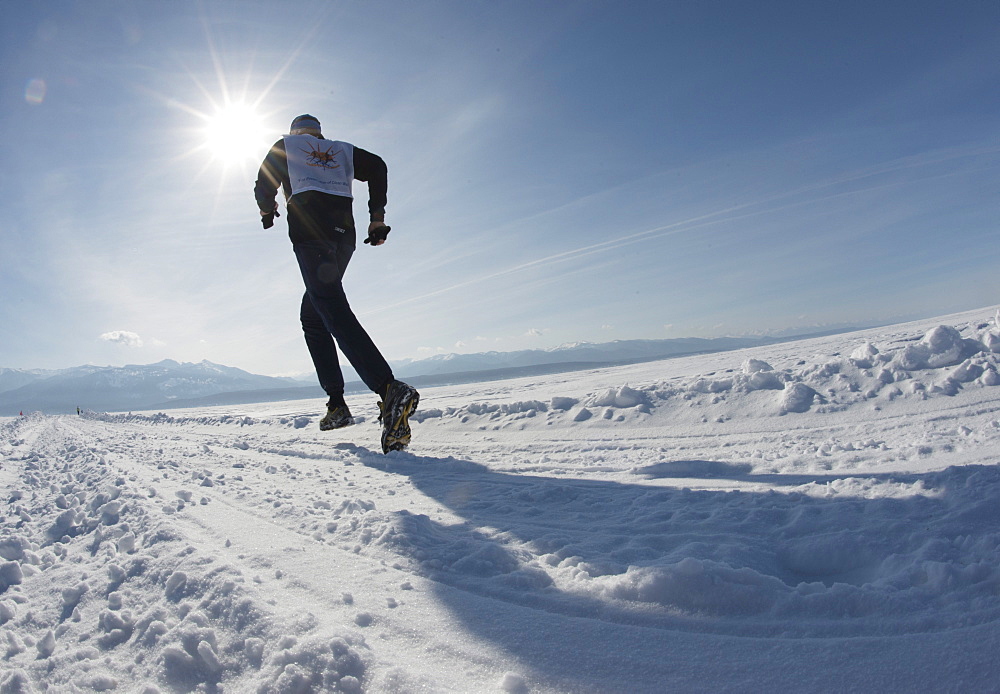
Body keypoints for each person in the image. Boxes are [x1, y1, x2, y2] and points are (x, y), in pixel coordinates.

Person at [254, 114, 419, 453]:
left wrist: (267, 211)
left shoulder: (285, 145)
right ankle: (337, 405)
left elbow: (262, 184)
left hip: (311, 238)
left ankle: (388, 388)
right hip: (344, 240)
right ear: (319, 133)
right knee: (313, 315)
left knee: (331, 307)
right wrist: (377, 218)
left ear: (295, 132)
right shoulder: (341, 151)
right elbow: (378, 167)